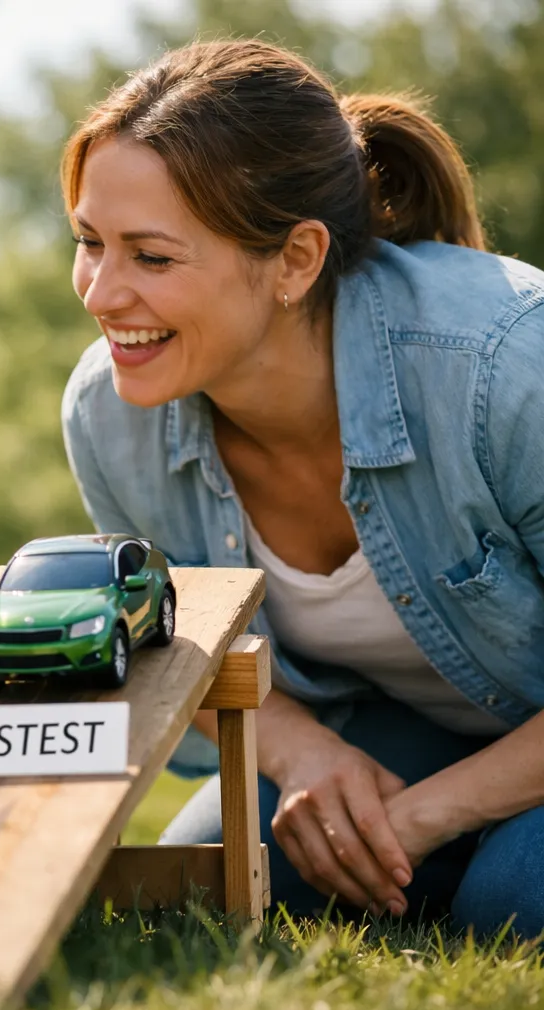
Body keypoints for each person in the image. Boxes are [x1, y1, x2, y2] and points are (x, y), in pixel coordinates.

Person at [59, 39, 544, 935]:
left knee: (512, 905)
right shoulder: (107, 411)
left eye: (152, 258)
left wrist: (430, 816)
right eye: (90, 243)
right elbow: (165, 641)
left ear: (295, 260)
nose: (101, 292)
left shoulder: (506, 364)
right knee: (203, 896)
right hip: (398, 725)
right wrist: (302, 751)